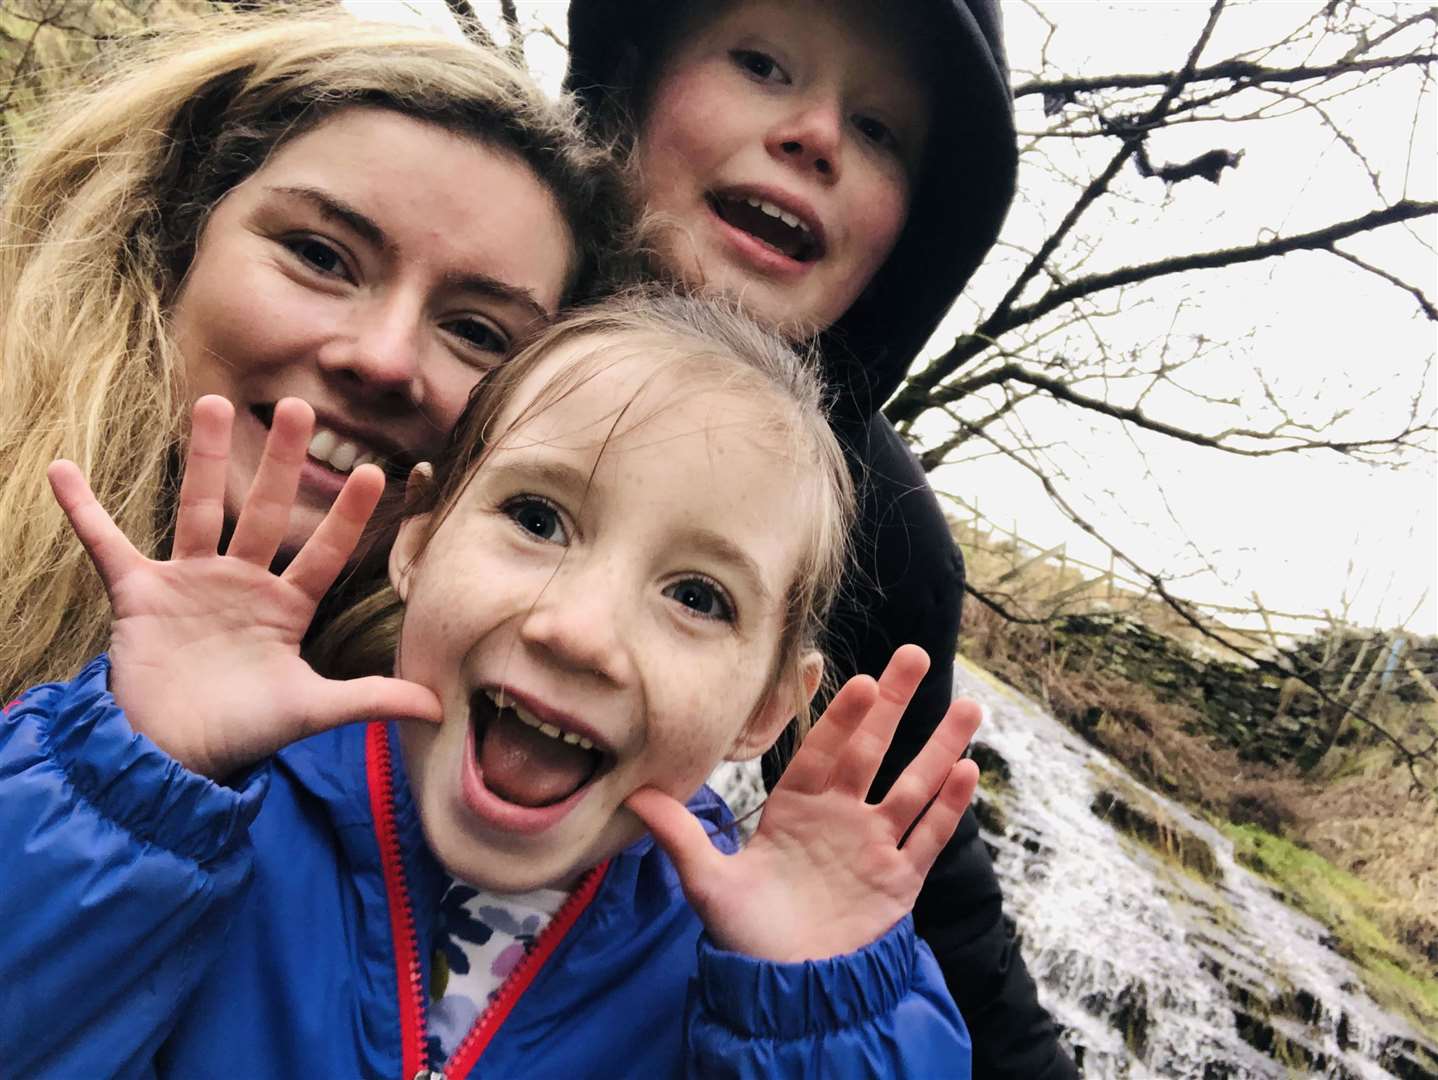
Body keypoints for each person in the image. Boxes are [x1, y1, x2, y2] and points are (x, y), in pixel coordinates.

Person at [4, 291, 987, 1078]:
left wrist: (816, 1020)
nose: (578, 633)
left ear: (769, 709)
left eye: (697, 595)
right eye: (537, 518)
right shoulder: (205, 812)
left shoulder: (747, 978)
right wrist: (123, 788)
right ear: (420, 541)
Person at [563, 1, 1075, 1075]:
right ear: (631, 84)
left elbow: (915, 883)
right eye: (759, 63)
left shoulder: (881, 540)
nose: (816, 136)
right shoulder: (439, 295)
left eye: (881, 133)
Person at [0, 9, 623, 700]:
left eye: (476, 332)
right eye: (320, 256)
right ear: (169, 239)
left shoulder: (469, 751)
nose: (384, 359)